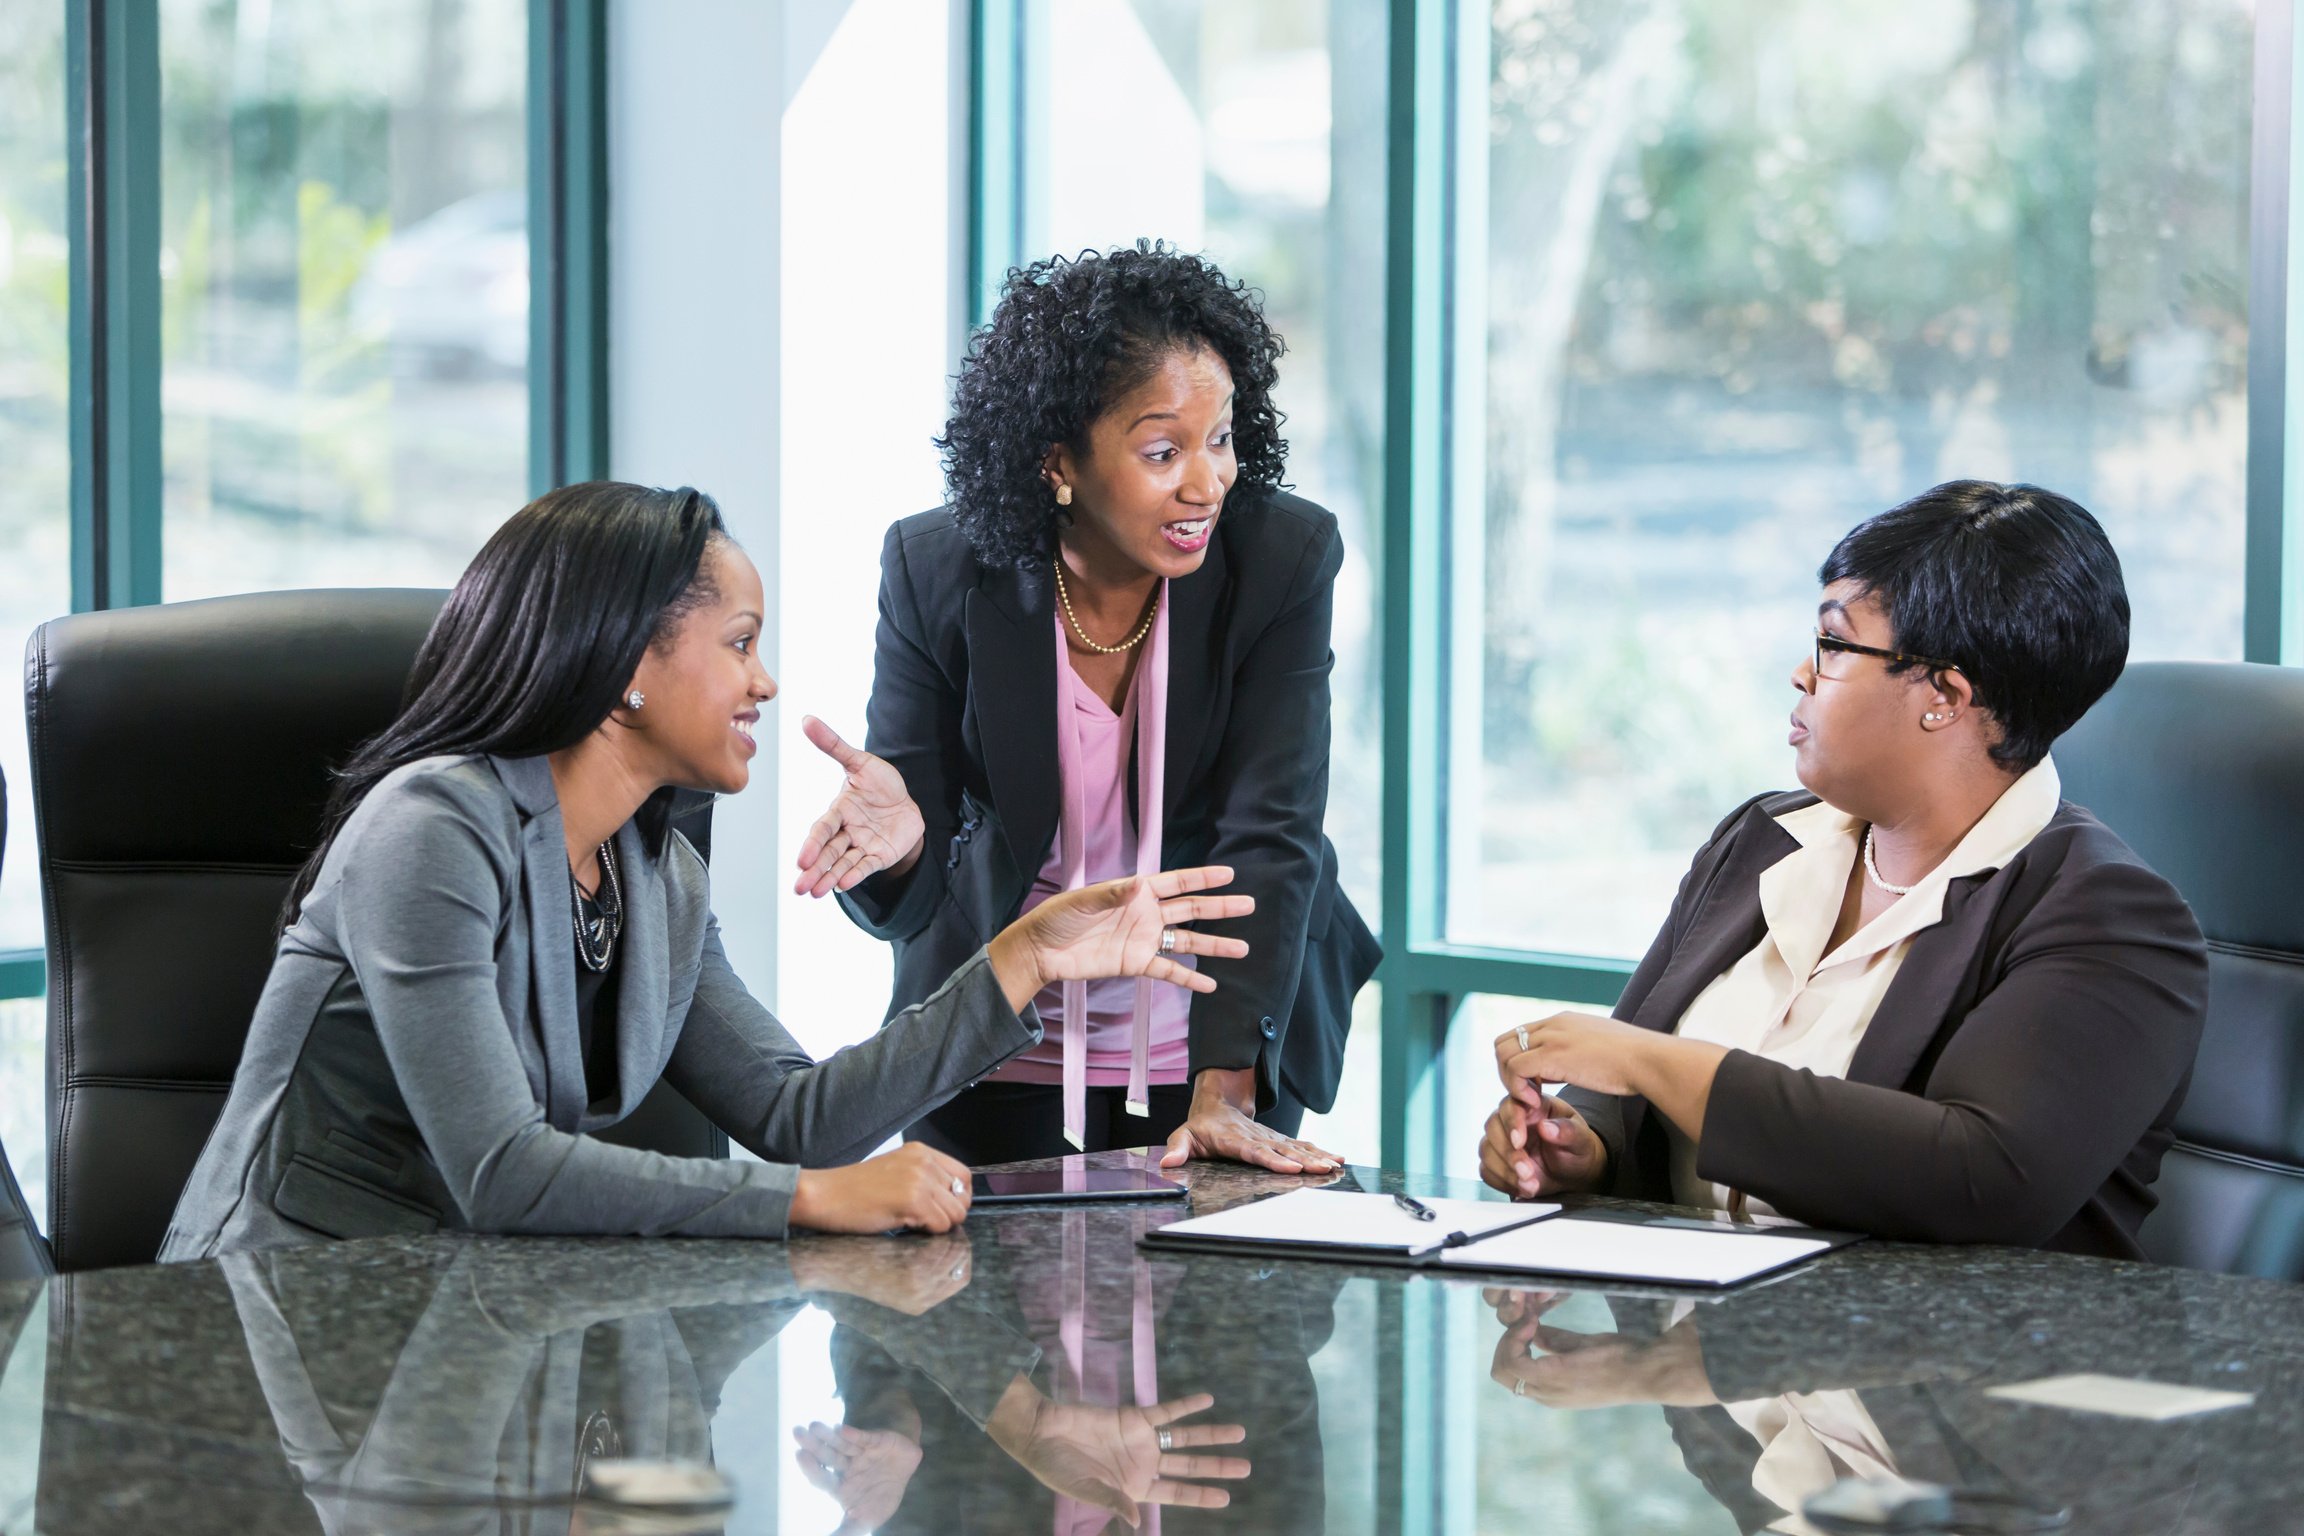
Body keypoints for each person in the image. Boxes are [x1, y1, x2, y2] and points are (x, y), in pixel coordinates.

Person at [161, 483, 1253, 1260]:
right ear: (631, 659)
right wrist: (810, 1201)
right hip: (278, 1321)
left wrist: (1022, 960)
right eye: (739, 642)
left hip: (456, 1320)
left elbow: (796, 1112)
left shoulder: (657, 877)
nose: (765, 683)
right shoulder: (433, 828)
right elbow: (503, 1169)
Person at [1478, 480, 2208, 1258]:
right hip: (1706, 1354)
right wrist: (1580, 1147)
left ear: (1945, 695)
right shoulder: (1763, 838)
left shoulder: (2111, 919)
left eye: (1833, 644)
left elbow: (1982, 1178)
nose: (1801, 672)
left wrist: (1656, 1064)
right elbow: (1622, 1091)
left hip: (1935, 1369)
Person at [795, 242, 1381, 1171]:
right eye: (1162, 450)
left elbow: (1270, 835)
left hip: (1210, 1040)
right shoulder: (936, 571)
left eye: (1220, 437)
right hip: (995, 1038)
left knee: (1216, 1317)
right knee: (964, 1308)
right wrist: (901, 846)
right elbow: (917, 870)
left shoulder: (1280, 560)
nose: (1206, 482)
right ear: (1056, 462)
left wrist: (1223, 1089)